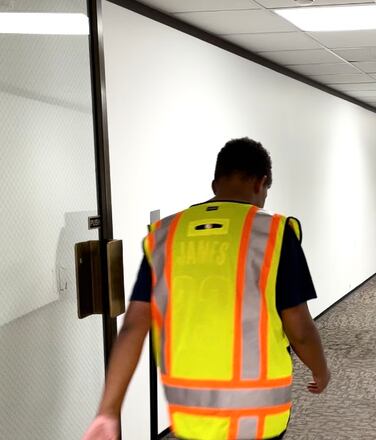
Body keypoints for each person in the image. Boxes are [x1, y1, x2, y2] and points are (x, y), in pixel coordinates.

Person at [83, 138, 330, 440]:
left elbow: (133, 327)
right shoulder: (276, 233)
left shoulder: (165, 236)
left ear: (215, 184)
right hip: (260, 412)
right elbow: (300, 328)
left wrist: (108, 409)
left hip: (191, 414)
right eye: (266, 190)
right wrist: (320, 368)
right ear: (261, 183)